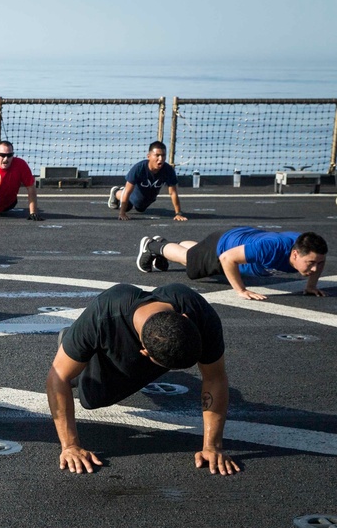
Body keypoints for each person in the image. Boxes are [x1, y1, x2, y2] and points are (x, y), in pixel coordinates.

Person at [46, 283, 238, 475]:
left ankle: (76, 349)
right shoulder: (104, 315)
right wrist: (70, 446)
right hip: (111, 333)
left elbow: (214, 378)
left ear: (185, 317)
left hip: (145, 335)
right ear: (144, 352)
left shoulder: (197, 310)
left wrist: (213, 446)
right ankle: (71, 345)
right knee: (93, 397)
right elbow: (57, 377)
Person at [137, 228, 328, 300]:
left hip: (239, 245)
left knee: (196, 253)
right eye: (310, 263)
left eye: (317, 264)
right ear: (294, 254)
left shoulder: (306, 246)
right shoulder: (271, 248)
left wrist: (311, 285)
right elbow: (228, 259)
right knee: (190, 261)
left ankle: (173, 245)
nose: (314, 268)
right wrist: (241, 291)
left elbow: (319, 260)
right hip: (224, 247)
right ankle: (153, 246)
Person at [108, 141, 187, 221]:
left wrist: (178, 214)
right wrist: (122, 213)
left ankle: (130, 199)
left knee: (140, 208)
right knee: (128, 206)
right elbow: (128, 191)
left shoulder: (168, 170)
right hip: (135, 192)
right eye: (157, 155)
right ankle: (116, 192)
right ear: (149, 156)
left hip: (149, 197)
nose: (160, 159)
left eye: (163, 155)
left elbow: (173, 193)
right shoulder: (139, 168)